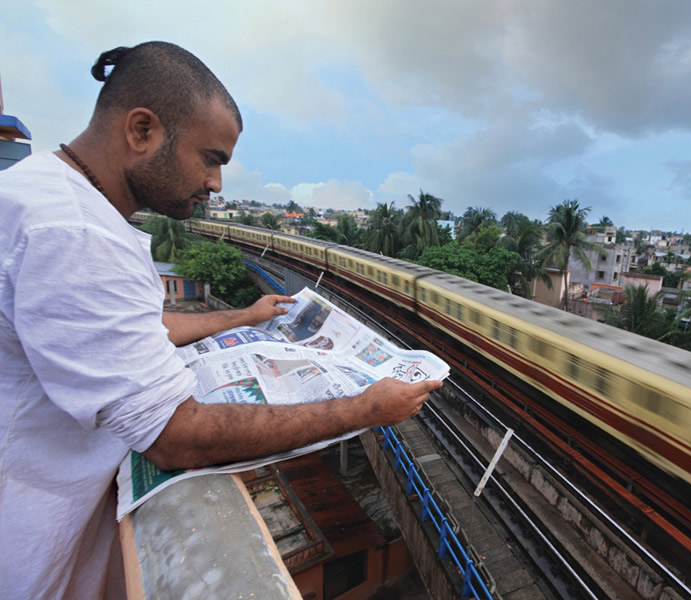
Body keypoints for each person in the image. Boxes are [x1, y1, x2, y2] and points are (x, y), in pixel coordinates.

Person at [0, 41, 442, 599]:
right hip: (31, 548)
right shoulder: (75, 233)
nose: (216, 185)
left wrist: (244, 316)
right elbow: (175, 438)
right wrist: (364, 409)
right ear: (142, 131)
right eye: (210, 158)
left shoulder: (47, 194)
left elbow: (136, 331)